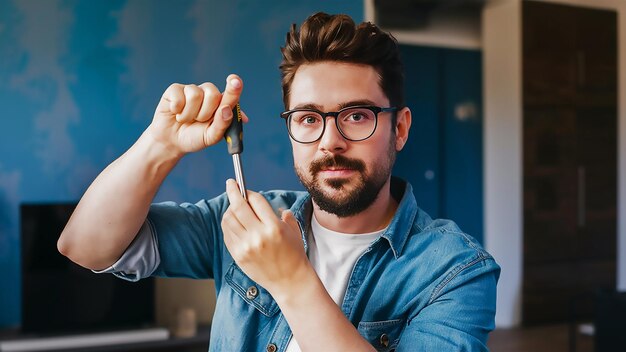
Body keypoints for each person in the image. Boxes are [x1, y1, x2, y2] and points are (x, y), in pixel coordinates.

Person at [58, 12, 500, 352]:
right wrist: (159, 145)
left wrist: (290, 278)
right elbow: (83, 246)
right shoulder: (248, 221)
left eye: (357, 116)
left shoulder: (455, 270)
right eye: (309, 119)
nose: (331, 142)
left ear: (399, 129)